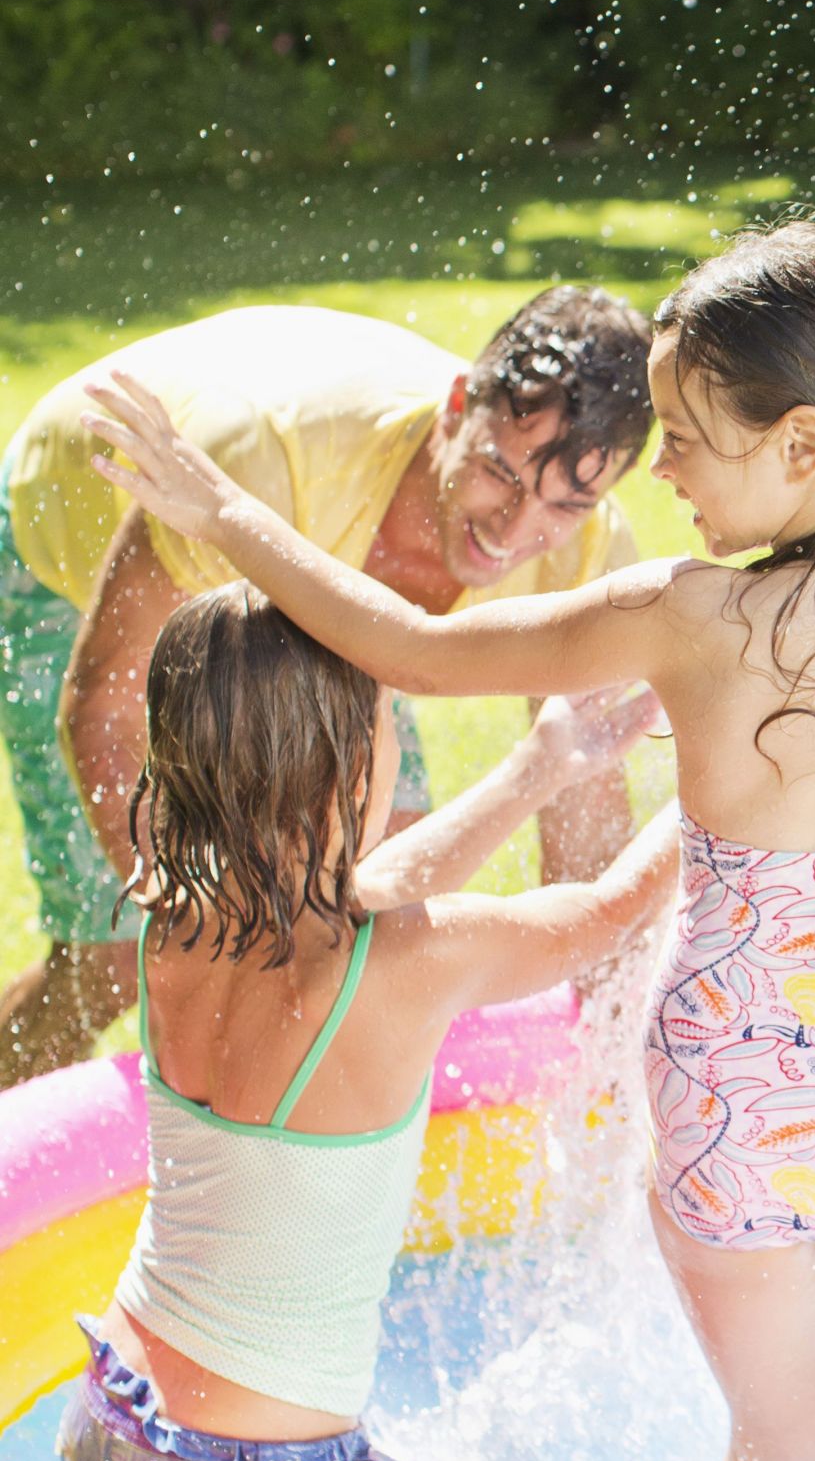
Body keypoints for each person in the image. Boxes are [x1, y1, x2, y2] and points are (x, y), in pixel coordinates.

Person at [82, 216, 815, 1461]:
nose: (672, 471)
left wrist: (223, 514)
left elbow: (412, 645)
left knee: (778, 1456)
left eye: (689, 437)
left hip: (717, 1139)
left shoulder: (680, 615)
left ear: (803, 445)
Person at [59, 581, 677, 1461]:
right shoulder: (406, 964)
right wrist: (731, 781)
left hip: (114, 1416)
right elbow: (608, 912)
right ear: (353, 765)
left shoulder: (178, 913)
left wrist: (537, 771)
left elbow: (367, 885)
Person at [0, 291, 657, 1087]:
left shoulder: (586, 551)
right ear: (456, 408)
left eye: (565, 504)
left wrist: (611, 1038)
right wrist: (198, 934)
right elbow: (104, 703)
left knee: (380, 919)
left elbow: (585, 814)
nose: (515, 531)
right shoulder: (269, 459)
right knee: (114, 957)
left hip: (328, 588)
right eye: (498, 473)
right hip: (74, 537)